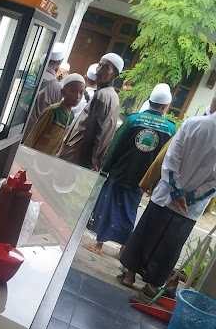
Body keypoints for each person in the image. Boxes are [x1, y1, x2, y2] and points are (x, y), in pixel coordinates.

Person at [120, 112, 216, 295]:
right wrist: (190, 198)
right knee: (170, 247)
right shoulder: (195, 124)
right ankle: (152, 286)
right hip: (189, 208)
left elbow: (172, 156)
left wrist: (176, 190)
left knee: (145, 234)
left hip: (166, 195)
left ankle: (129, 275)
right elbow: (214, 182)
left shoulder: (192, 124)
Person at [87, 83, 175, 256]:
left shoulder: (133, 120)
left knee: (109, 206)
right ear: (166, 106)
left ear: (149, 101)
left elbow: (115, 146)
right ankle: (124, 248)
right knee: (130, 210)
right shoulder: (170, 128)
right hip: (143, 179)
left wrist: (105, 168)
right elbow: (166, 159)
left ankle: (99, 245)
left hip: (120, 173)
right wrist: (156, 182)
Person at [59, 53, 123, 170]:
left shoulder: (102, 96)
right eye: (100, 65)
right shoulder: (112, 95)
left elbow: (92, 132)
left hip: (75, 157)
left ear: (115, 74)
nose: (99, 70)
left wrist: (86, 163)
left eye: (106, 67)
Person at [25, 73, 86, 156]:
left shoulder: (71, 115)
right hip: (36, 154)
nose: (77, 96)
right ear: (63, 92)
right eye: (73, 91)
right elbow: (35, 133)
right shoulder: (53, 110)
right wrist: (25, 153)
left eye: (81, 92)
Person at [27, 42, 66, 132]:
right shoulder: (58, 88)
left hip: (14, 127)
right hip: (33, 133)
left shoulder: (31, 76)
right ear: (60, 62)